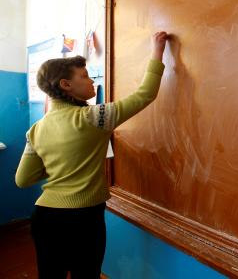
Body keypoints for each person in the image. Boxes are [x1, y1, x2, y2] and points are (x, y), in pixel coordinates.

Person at [15, 31, 170, 278]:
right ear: (66, 86)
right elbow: (145, 94)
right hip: (83, 220)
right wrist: (158, 50)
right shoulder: (95, 117)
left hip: (45, 219)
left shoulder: (36, 129)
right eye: (85, 76)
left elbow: (23, 180)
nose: (91, 82)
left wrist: (59, 165)